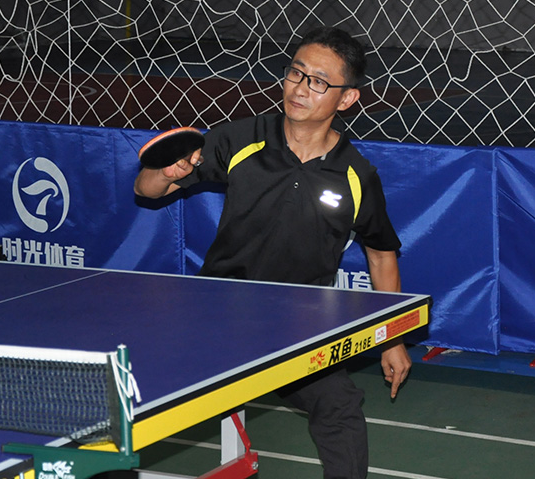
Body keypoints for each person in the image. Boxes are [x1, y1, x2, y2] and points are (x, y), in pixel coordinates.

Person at [134, 26, 411, 479]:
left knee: (339, 405)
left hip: (297, 325)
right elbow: (146, 191)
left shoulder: (357, 175)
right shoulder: (242, 138)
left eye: (318, 81)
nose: (300, 89)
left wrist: (393, 338)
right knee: (133, 398)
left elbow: (381, 255)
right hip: (216, 310)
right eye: (295, 73)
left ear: (346, 99)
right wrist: (164, 172)